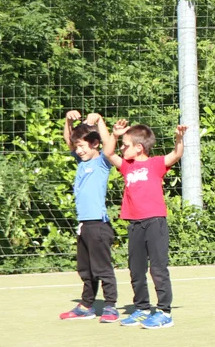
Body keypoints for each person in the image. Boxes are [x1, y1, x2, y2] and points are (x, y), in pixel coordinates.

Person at [104, 120, 185, 329]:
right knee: (136, 269)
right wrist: (115, 135)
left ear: (139, 148)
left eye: (125, 145)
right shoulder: (126, 166)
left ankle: (164, 312)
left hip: (155, 222)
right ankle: (142, 308)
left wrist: (179, 138)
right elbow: (108, 153)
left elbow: (176, 154)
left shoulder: (155, 164)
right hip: (135, 224)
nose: (122, 149)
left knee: (158, 268)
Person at [59, 111, 119, 323]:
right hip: (84, 225)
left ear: (95, 144)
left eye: (83, 146)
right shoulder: (81, 162)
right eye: (77, 147)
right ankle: (86, 306)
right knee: (85, 269)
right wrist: (68, 121)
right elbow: (69, 140)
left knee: (102, 268)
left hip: (98, 225)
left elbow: (109, 145)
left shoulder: (102, 162)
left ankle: (110, 305)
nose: (79, 150)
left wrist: (100, 120)